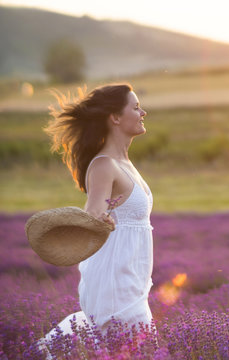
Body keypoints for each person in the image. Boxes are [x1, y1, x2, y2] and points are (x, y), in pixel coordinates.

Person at [35, 83, 156, 354]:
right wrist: (100, 219)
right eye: (135, 108)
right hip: (115, 280)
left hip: (133, 279)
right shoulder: (104, 165)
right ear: (114, 118)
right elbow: (93, 214)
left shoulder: (125, 163)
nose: (143, 112)